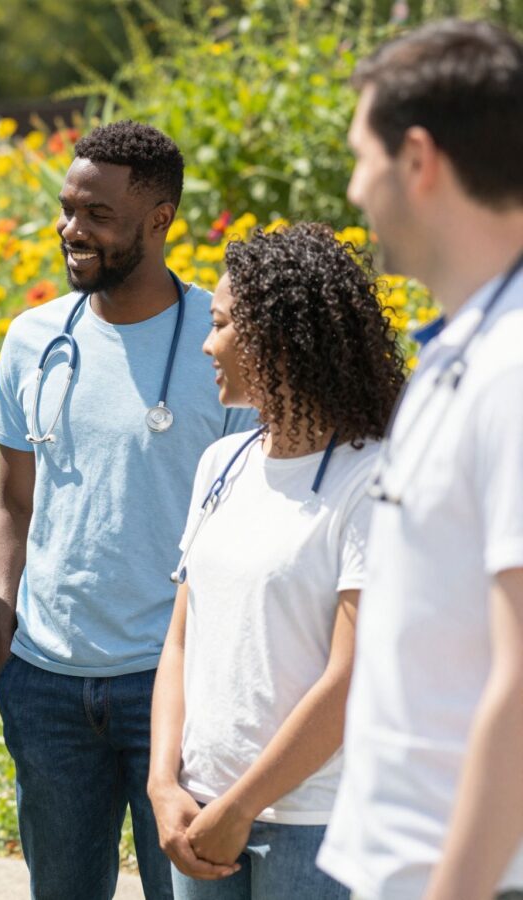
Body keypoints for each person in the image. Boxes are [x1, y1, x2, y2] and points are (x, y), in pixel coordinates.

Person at [0, 120, 255, 900]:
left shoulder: (224, 341)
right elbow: (12, 497)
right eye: (69, 208)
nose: (73, 230)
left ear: (160, 220)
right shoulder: (31, 339)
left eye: (97, 215)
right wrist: (3, 630)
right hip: (46, 683)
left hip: (172, 685)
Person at [317, 19, 523, 900]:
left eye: (361, 156)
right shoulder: (455, 353)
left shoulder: (512, 370)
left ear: (419, 159)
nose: (355, 187)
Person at [147, 223, 405, 900]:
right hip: (199, 812)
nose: (209, 343)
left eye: (224, 325)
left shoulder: (373, 479)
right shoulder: (220, 464)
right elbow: (179, 640)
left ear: (280, 339)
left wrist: (240, 807)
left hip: (314, 823)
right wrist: (162, 783)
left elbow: (352, 679)